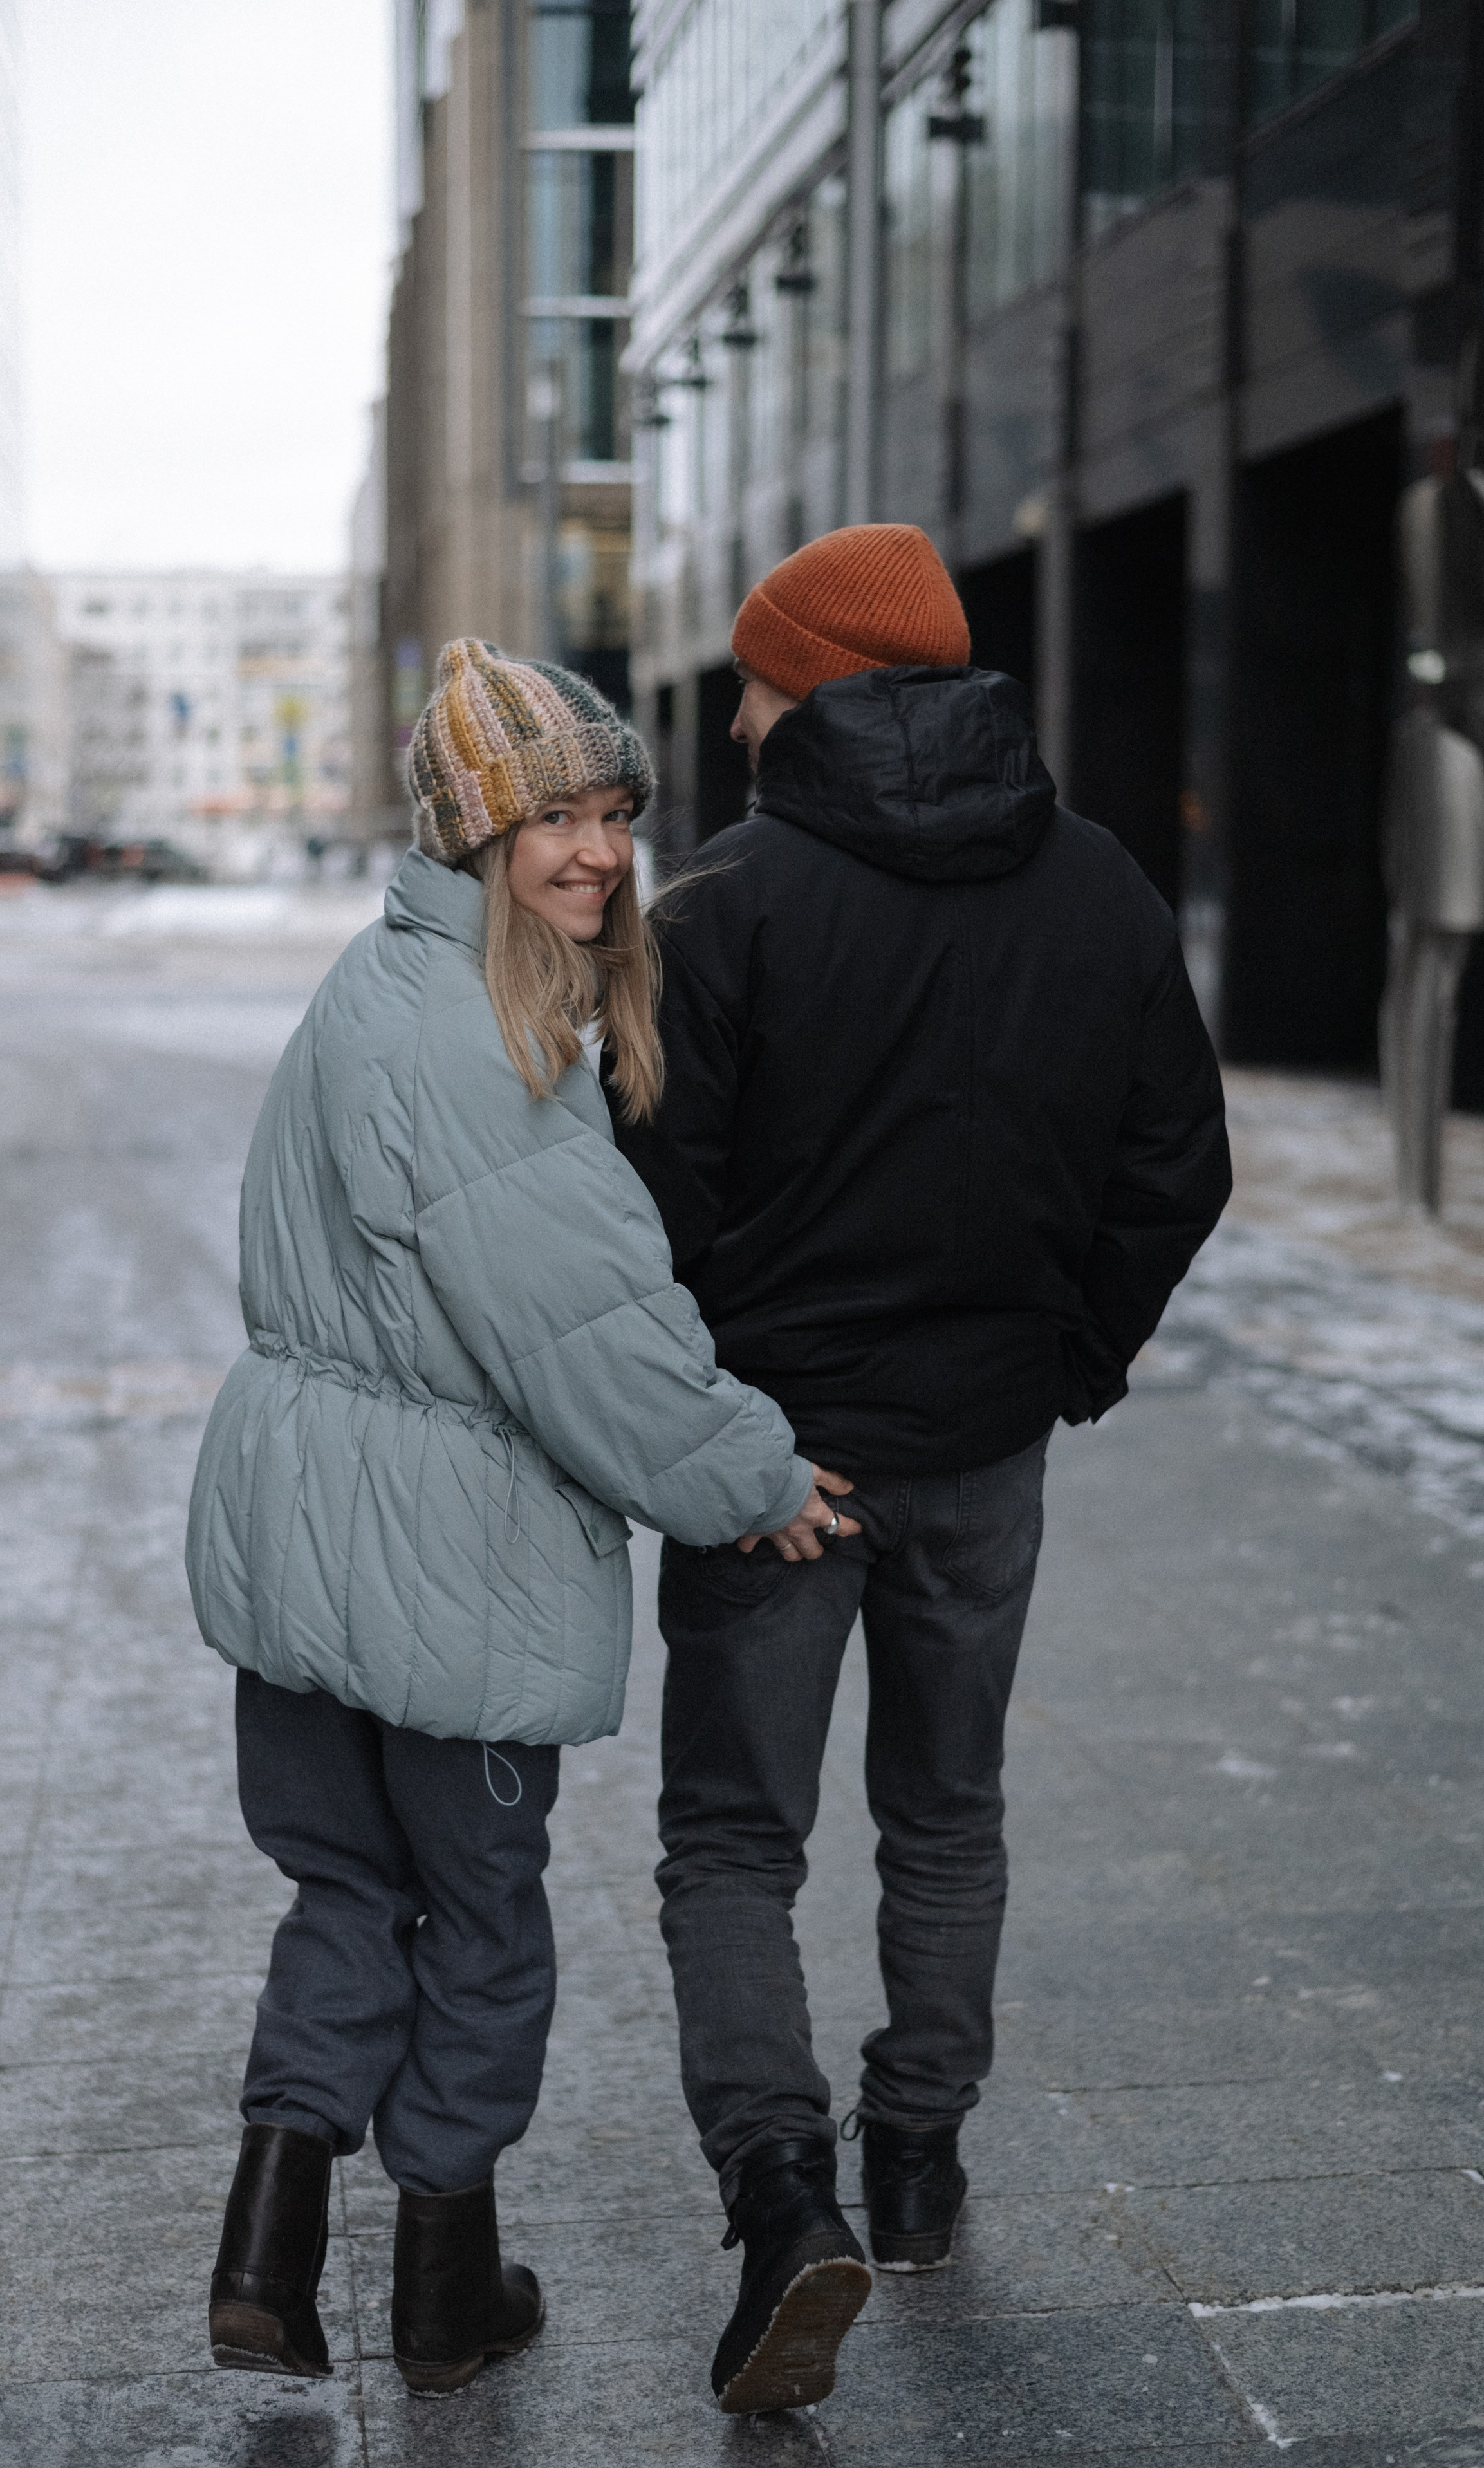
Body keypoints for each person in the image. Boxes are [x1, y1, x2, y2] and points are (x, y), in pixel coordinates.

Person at [185, 638, 855, 2400]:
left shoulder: (369, 985)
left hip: (308, 1543)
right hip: (451, 1565)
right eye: (551, 813)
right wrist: (757, 1477)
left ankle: (264, 2250)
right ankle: (441, 2287)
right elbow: (592, 1341)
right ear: (473, 831)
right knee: (478, 1919)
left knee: (344, 1887)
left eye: (615, 810)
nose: (596, 849)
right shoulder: (486, 1041)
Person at [611, 524, 1232, 2408]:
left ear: (814, 682)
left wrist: (719, 1410)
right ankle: (921, 2159)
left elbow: (652, 1211)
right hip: (982, 1450)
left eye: (754, 674)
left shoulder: (721, 906)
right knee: (946, 1812)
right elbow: (1177, 1160)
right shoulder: (1102, 883)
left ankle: (786, 2197)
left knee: (735, 1835)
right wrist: (1069, 1356)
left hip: (774, 1467)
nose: (732, 708)